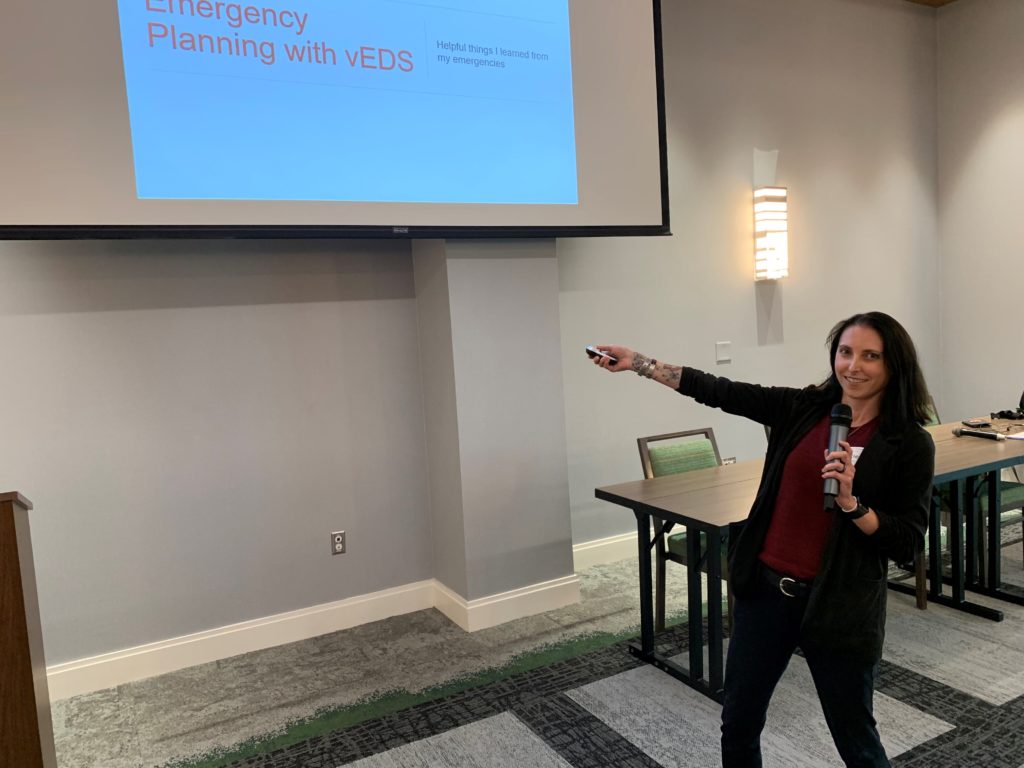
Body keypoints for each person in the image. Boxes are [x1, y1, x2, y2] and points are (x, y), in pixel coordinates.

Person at [590, 311, 935, 768]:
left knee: (855, 737)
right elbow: (720, 391)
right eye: (846, 352)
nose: (854, 365)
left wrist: (852, 504)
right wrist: (640, 364)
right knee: (739, 722)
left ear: (894, 366)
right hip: (766, 594)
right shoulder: (806, 409)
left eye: (871, 356)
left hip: (838, 606)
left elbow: (906, 542)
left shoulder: (908, 442)